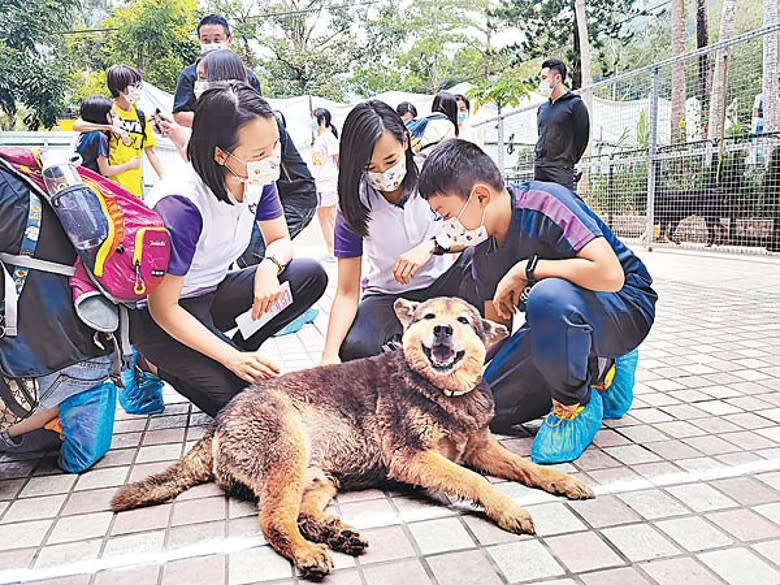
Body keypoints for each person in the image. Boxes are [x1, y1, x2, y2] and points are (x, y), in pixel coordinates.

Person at [418, 139, 657, 465]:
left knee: (548, 296)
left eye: (447, 214)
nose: (448, 228)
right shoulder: (484, 251)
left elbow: (610, 274)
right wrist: (448, 375)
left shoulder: (546, 204)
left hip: (624, 307)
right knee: (488, 407)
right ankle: (600, 369)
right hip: (555, 328)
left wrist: (527, 270)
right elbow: (497, 331)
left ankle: (578, 401)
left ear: (480, 196)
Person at [129, 82, 327, 418]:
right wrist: (231, 359)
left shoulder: (255, 179)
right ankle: (151, 363)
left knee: (309, 276)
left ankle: (236, 349)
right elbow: (163, 308)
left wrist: (268, 267)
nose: (273, 160)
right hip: (162, 318)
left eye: (275, 146)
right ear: (220, 154)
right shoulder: (182, 205)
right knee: (252, 409)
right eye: (260, 154)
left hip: (212, 294)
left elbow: (279, 240)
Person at [320, 101, 477, 365]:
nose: (384, 174)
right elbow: (347, 291)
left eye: (390, 160)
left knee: (478, 257)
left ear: (405, 141)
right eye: (371, 168)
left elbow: (475, 229)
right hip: (387, 296)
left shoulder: (436, 173)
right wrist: (329, 354)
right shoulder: (354, 202)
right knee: (356, 347)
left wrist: (432, 245)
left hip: (441, 285)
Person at [73, 64, 164, 197]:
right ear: (120, 89)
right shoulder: (108, 110)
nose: (137, 89)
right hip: (109, 187)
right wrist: (110, 127)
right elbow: (77, 125)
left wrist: (163, 177)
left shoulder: (140, 116)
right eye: (133, 85)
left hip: (134, 188)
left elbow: (150, 151)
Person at [172, 14, 263, 128]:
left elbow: (259, 113)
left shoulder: (248, 77)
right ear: (199, 41)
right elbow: (179, 115)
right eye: (206, 40)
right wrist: (214, 122)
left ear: (229, 40)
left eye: (217, 39)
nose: (212, 45)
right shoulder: (189, 75)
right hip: (202, 140)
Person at [534, 59, 590, 191]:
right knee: (541, 209)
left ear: (557, 77)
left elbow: (583, 137)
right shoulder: (543, 108)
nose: (541, 83)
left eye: (544, 78)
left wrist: (568, 161)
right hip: (540, 167)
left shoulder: (575, 105)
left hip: (561, 170)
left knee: (562, 209)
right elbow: (541, 134)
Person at [74, 96, 140, 178]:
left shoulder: (85, 134)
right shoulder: (100, 137)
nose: (115, 118)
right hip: (93, 185)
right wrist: (130, 164)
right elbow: (106, 171)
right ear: (102, 116)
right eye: (112, 115)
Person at [310, 108, 339, 258]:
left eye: (313, 120)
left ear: (322, 120)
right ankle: (331, 250)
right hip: (319, 182)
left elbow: (338, 158)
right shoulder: (317, 139)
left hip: (329, 181)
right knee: (321, 216)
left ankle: (339, 249)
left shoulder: (328, 137)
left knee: (332, 216)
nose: (311, 123)